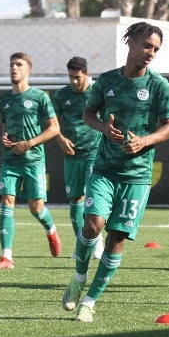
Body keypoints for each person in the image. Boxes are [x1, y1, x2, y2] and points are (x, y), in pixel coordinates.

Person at [61, 22, 169, 322]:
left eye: (156, 49)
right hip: (105, 169)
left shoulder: (159, 86)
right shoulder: (107, 81)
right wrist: (103, 128)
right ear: (131, 42)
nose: (151, 52)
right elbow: (89, 113)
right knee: (93, 224)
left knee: (116, 239)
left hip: (137, 177)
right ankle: (78, 278)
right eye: (147, 45)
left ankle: (90, 301)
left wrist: (146, 140)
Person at [0, 52, 63, 269]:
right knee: (6, 202)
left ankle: (51, 230)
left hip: (33, 160)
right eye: (11, 64)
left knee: (36, 208)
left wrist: (29, 143)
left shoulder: (40, 97)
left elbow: (54, 128)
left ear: (28, 70)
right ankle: (7, 257)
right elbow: (6, 128)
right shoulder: (3, 100)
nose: (14, 68)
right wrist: (4, 138)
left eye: (19, 65)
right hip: (10, 160)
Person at [52, 56, 104, 260]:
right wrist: (60, 139)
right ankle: (82, 246)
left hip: (94, 153)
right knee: (75, 201)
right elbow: (52, 123)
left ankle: (97, 242)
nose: (73, 81)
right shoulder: (62, 95)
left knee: (93, 198)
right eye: (70, 77)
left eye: (77, 77)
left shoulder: (97, 93)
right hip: (72, 156)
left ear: (87, 75)